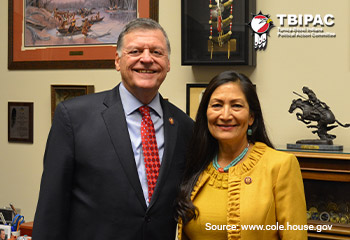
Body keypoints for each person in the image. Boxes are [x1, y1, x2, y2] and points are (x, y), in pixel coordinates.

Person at [32, 18, 193, 239]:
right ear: (117, 61)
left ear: (167, 63)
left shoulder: (184, 127)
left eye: (157, 52)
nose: (146, 59)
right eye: (135, 51)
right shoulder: (74, 118)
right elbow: (51, 208)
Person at [176, 70, 307, 239]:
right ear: (205, 114)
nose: (225, 115)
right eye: (217, 105)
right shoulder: (195, 163)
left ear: (251, 116)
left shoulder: (280, 166)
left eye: (236, 105)